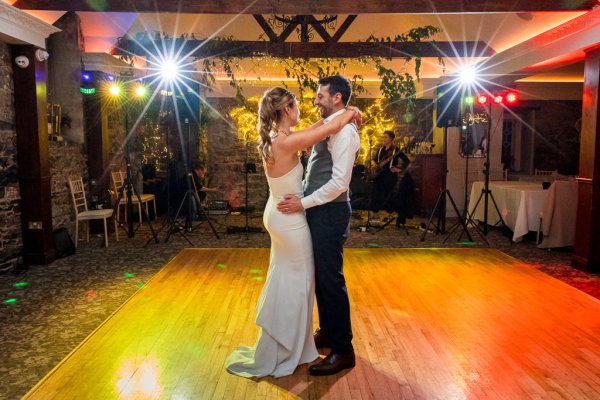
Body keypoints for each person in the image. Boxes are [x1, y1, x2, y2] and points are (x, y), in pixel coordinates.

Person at [225, 87, 361, 378]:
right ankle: (288, 347)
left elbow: (319, 127)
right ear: (286, 109)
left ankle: (292, 342)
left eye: (317, 97)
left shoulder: (279, 138)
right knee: (298, 284)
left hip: (279, 213)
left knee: (288, 279)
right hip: (290, 218)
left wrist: (343, 113)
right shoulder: (288, 142)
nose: (306, 105)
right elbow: (330, 125)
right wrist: (351, 111)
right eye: (298, 103)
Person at [277, 75, 361, 376]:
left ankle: (343, 350)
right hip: (319, 211)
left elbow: (339, 183)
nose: (315, 100)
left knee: (331, 279)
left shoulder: (345, 132)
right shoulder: (331, 126)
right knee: (321, 277)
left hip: (331, 212)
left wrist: (304, 202)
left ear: (336, 98)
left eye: (320, 95)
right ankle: (327, 332)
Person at [370, 130, 407, 224]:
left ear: (391, 139)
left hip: (389, 176)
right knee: (376, 194)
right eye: (383, 137)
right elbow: (374, 160)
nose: (383, 139)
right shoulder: (380, 150)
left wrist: (398, 169)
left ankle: (389, 214)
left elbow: (407, 161)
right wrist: (374, 164)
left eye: (385, 137)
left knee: (389, 195)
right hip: (378, 175)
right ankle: (375, 215)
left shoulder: (395, 150)